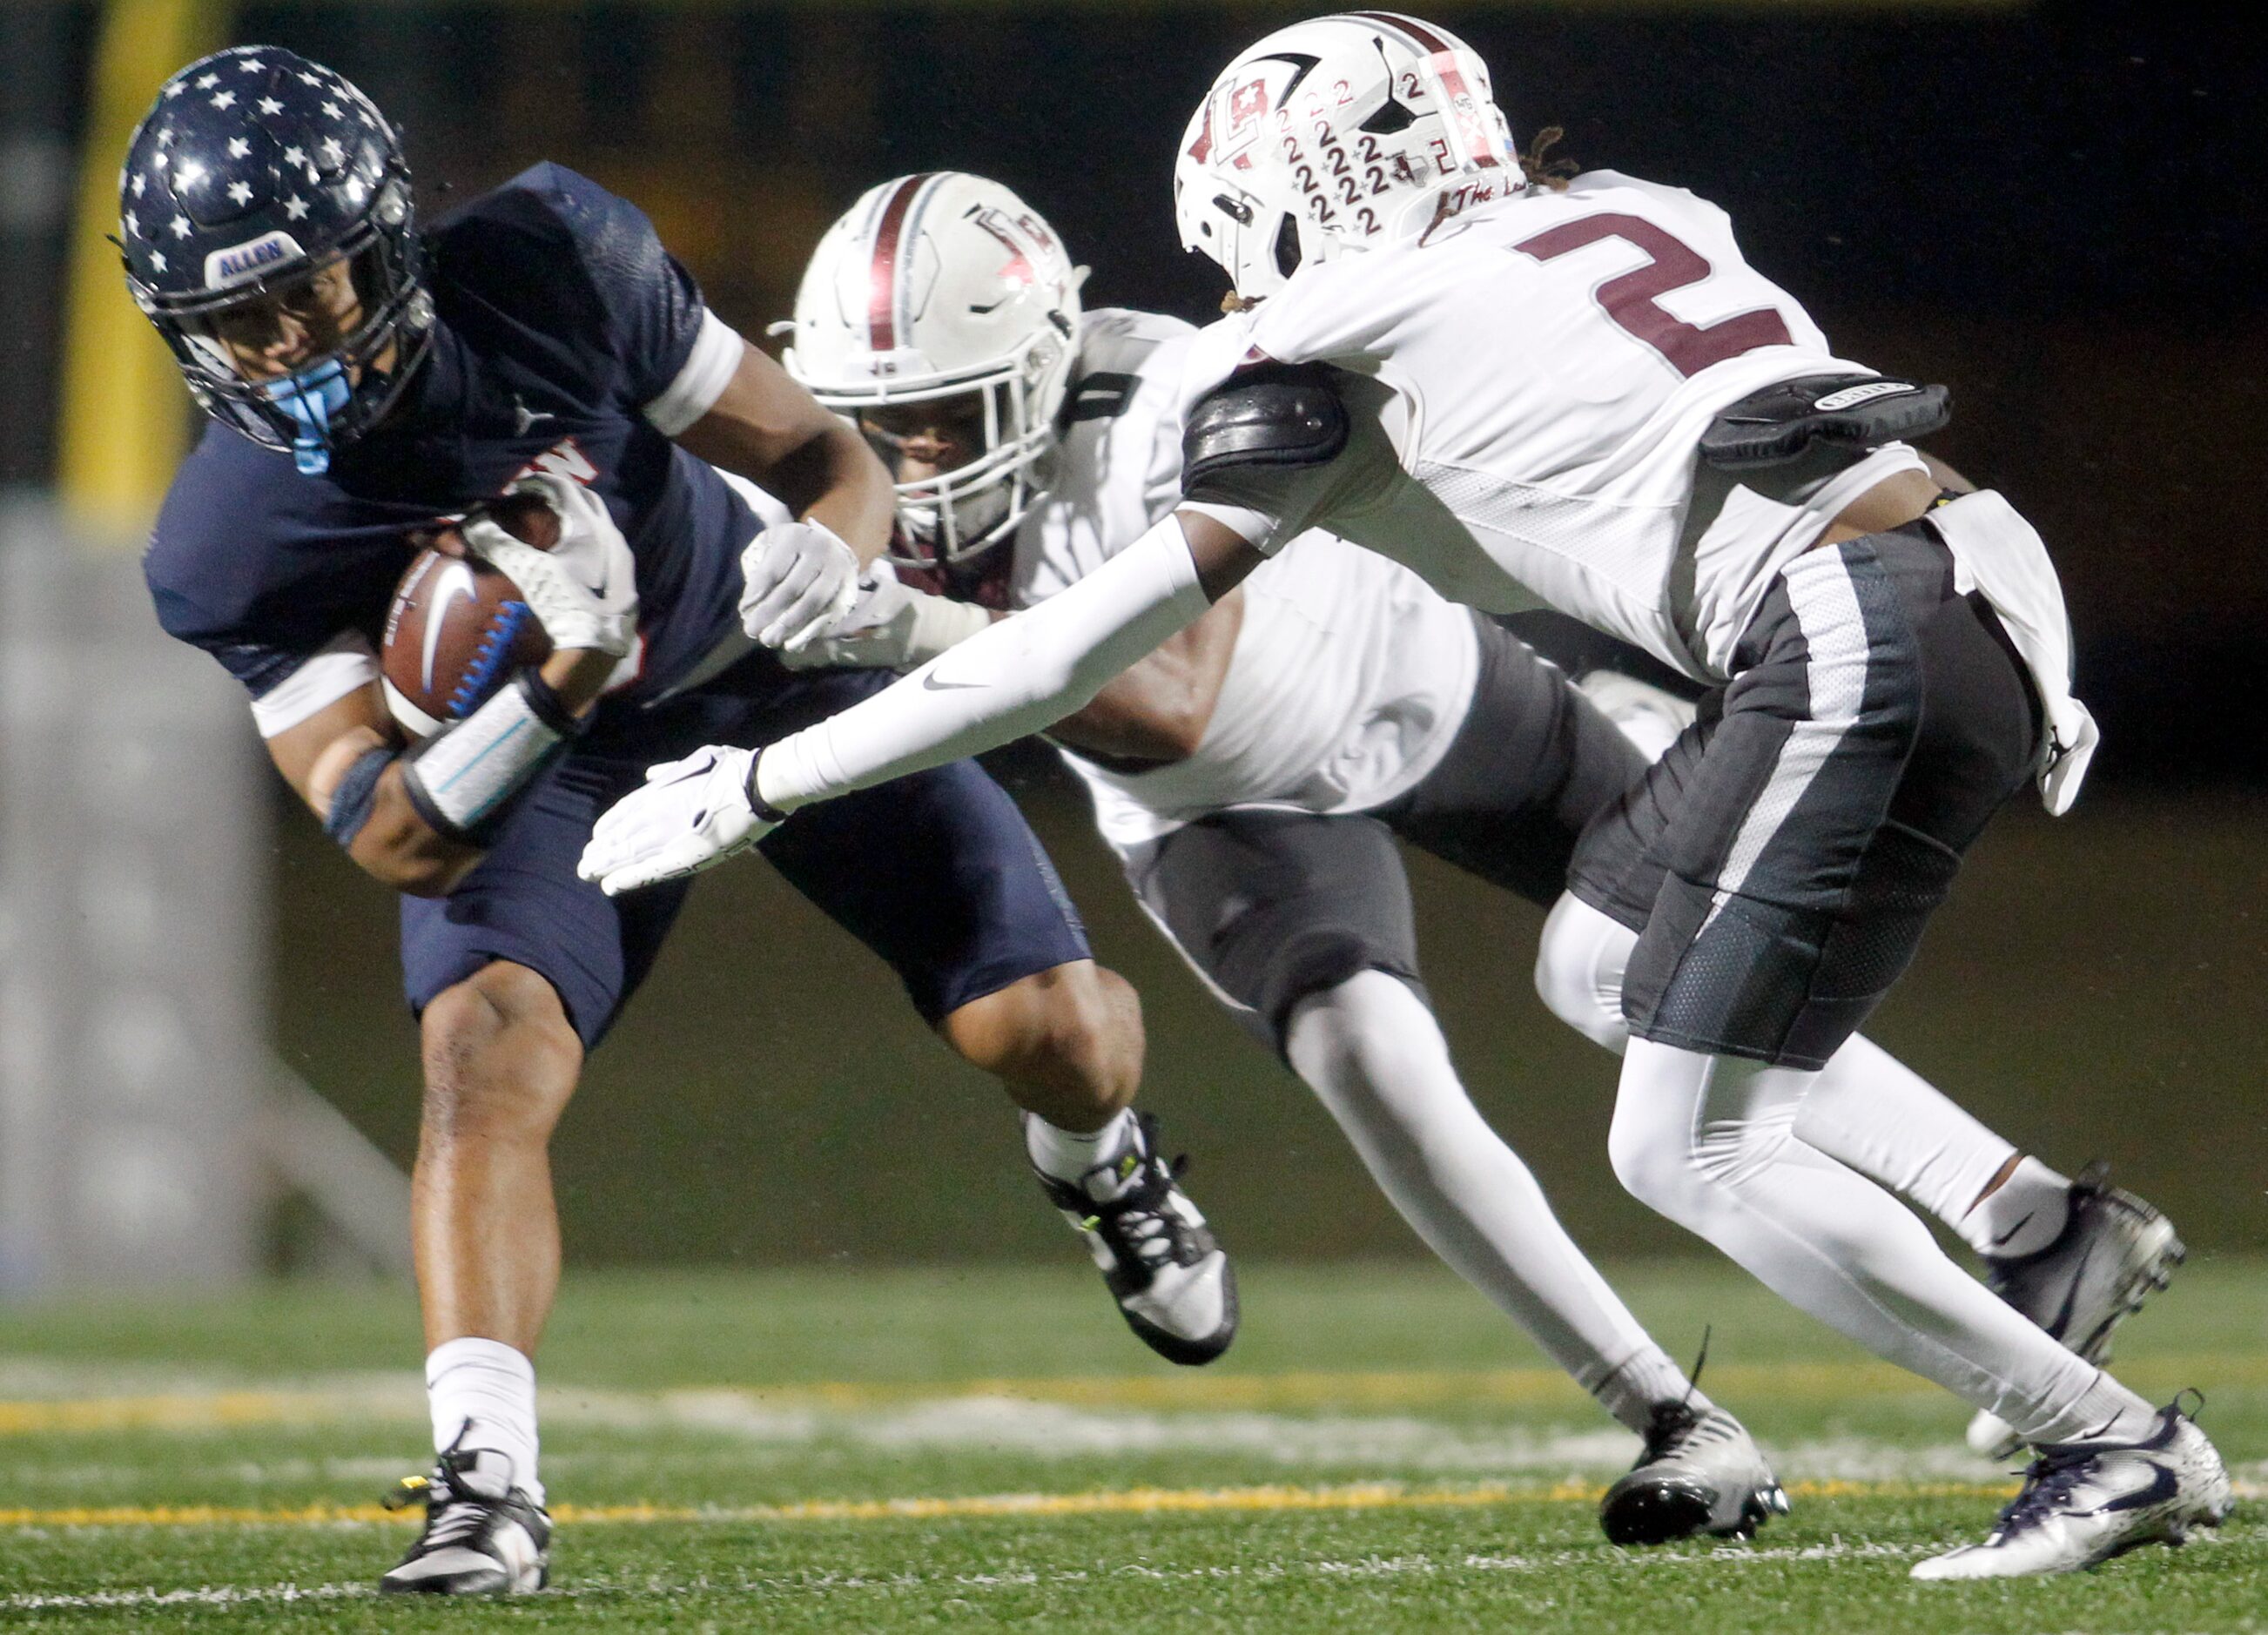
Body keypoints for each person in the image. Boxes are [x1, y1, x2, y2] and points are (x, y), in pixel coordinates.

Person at [582, 16, 2226, 1579]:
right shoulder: (1635, 210)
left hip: (1844, 627)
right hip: (1940, 578)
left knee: (1687, 1145)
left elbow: (1069, 659)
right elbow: (1554, 460)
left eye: (1240, 236)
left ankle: (2102, 1441)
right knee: (1594, 959)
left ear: (1285, 205)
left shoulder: (1302, 343)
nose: (1234, 279)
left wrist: (762, 778)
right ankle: (2033, 1235)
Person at [124, 47, 1234, 1598]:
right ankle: (486, 1480)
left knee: (1055, 1033)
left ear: (388, 241)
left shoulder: (550, 259)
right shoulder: (225, 543)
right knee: (478, 1058)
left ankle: (1108, 1168)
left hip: (757, 668)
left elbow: (818, 458)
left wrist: (837, 563)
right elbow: (392, 832)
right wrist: (558, 679)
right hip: (547, 769)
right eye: (238, 320)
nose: (285, 347)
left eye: (309, 291)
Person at [779, 170, 1789, 1544]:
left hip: (1395, 665)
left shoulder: (1159, 397)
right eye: (879, 428)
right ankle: (1674, 1415)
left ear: (1033, 365)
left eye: (947, 419)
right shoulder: (819, 483)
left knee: (1703, 952)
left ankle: (2022, 1219)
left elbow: (1168, 690)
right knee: (1366, 1058)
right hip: (1219, 806)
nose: (915, 463)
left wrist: (901, 626)